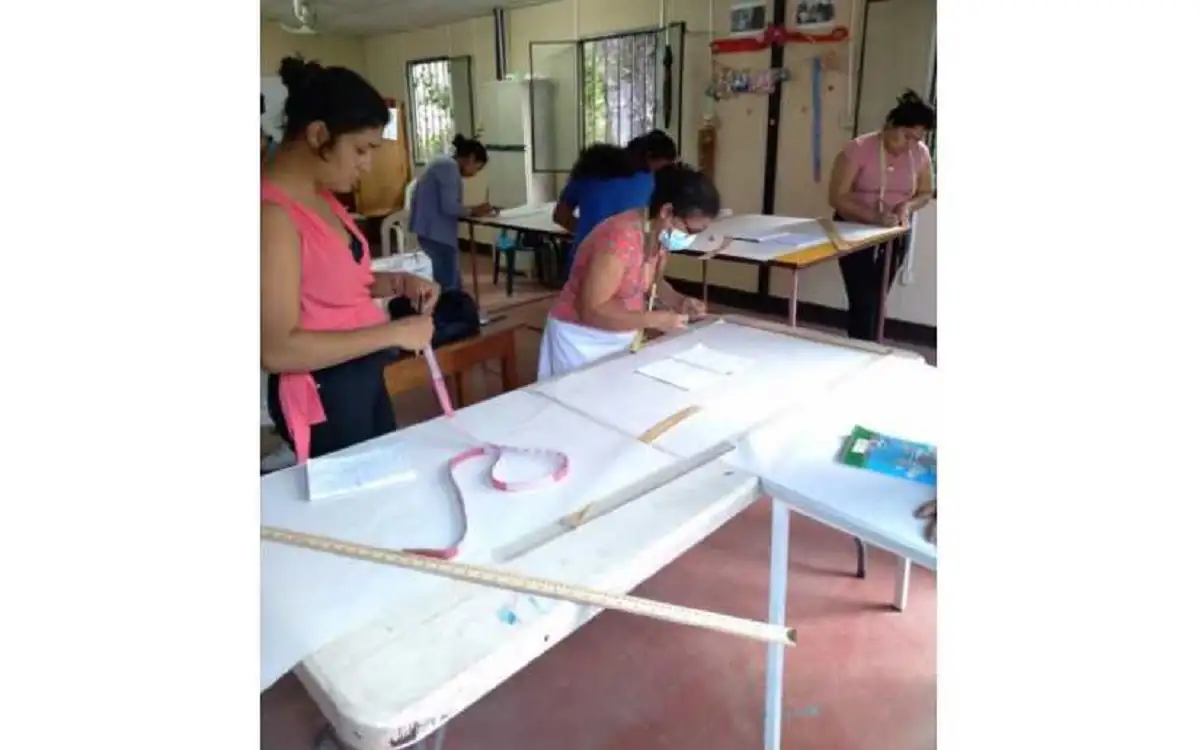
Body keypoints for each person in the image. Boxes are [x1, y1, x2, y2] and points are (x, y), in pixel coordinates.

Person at [261, 56, 440, 463]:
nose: (367, 164)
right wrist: (394, 333)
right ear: (318, 134)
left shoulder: (321, 196)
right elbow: (276, 350)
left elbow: (330, 281)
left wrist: (397, 282)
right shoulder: (272, 216)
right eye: (361, 150)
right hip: (323, 389)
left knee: (382, 476)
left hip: (358, 371)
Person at [537, 163, 717, 380]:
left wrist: (679, 301)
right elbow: (592, 310)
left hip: (621, 334)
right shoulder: (618, 239)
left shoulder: (659, 233)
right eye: (691, 230)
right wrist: (655, 320)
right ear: (667, 212)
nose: (691, 238)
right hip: (580, 341)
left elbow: (652, 282)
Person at [828, 89, 935, 340]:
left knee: (877, 296)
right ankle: (862, 345)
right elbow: (837, 197)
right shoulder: (857, 149)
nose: (910, 145)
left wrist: (906, 207)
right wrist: (874, 218)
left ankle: (867, 345)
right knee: (862, 297)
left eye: (917, 139)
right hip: (852, 229)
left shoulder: (920, 153)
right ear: (890, 125)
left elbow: (925, 192)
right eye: (906, 136)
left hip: (894, 232)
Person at [553, 130, 678, 272]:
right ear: (649, 157)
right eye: (663, 167)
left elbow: (560, 216)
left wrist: (590, 233)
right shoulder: (647, 181)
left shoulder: (587, 171)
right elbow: (650, 228)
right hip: (620, 263)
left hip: (581, 259)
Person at [408, 134, 492, 292]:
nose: (474, 174)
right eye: (477, 168)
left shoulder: (442, 163)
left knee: (449, 279)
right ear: (471, 158)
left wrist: (471, 210)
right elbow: (450, 207)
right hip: (437, 234)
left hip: (431, 231)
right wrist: (474, 210)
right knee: (449, 284)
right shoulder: (448, 168)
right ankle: (450, 307)